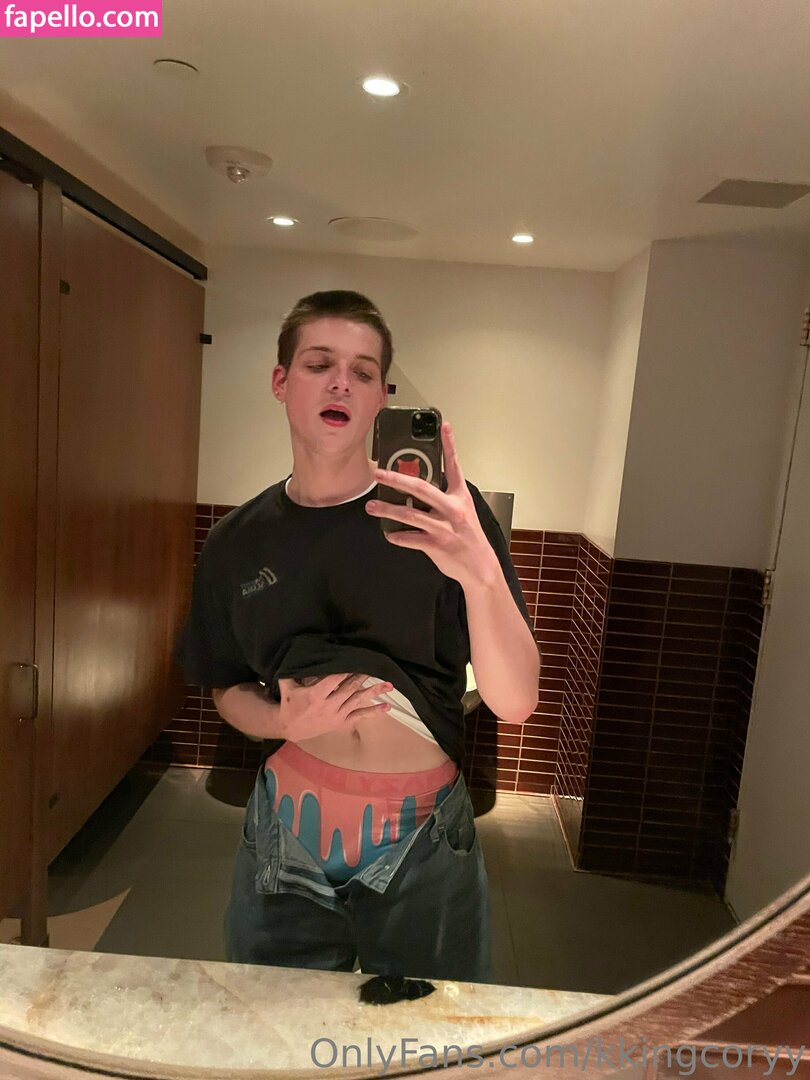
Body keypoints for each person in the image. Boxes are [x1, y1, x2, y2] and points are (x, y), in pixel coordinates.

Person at [175, 290, 540, 983]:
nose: (341, 382)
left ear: (381, 399)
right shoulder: (236, 542)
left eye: (363, 371)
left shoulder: (446, 524)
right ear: (282, 382)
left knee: (424, 1034)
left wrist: (481, 574)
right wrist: (280, 720)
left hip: (422, 841)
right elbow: (225, 685)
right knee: (271, 1029)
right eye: (320, 364)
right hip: (284, 839)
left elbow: (515, 701)